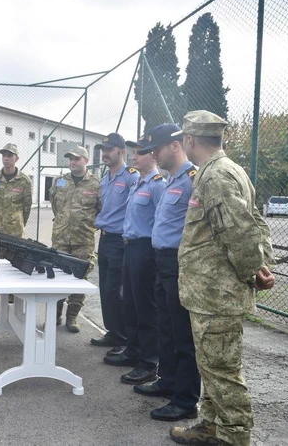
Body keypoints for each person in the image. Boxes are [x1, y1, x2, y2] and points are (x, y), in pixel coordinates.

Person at [170, 111, 275, 446]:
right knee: (212, 366)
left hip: (216, 293)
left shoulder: (215, 175)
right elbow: (255, 219)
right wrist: (263, 264)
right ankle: (211, 426)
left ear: (189, 140)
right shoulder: (228, 170)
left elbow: (240, 229)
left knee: (222, 370)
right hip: (209, 292)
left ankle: (234, 437)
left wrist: (254, 270)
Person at [132, 123, 201, 422]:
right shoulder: (172, 180)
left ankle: (185, 400)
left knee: (183, 333)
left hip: (178, 263)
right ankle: (168, 382)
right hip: (162, 262)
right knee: (167, 328)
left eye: (157, 148)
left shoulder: (192, 180)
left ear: (175, 145)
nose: (154, 154)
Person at [103, 134, 166, 387]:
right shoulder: (138, 183)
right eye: (133, 152)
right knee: (129, 302)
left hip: (145, 249)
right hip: (129, 247)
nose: (133, 156)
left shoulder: (158, 184)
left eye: (139, 152)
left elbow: (161, 221)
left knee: (145, 306)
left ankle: (149, 362)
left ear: (153, 155)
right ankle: (133, 349)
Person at [92, 133, 139, 351]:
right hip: (104, 238)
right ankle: (112, 331)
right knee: (105, 289)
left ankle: (123, 337)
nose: (105, 154)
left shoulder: (131, 177)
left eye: (109, 150)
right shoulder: (105, 178)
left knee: (116, 290)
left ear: (122, 152)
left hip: (120, 241)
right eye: (103, 150)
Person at [49, 145, 100, 331]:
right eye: (70, 159)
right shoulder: (59, 182)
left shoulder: (96, 184)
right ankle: (54, 315)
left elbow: (100, 210)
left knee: (80, 278)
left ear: (86, 161)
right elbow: (55, 206)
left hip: (83, 240)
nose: (72, 162)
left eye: (76, 159)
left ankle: (72, 317)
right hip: (61, 239)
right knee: (57, 278)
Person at [0, 143, 32, 320]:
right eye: (4, 155)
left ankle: (11, 305)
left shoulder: (24, 181)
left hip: (14, 234)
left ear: (16, 158)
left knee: (13, 269)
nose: (6, 158)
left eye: (10, 155)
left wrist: (17, 224)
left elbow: (26, 208)